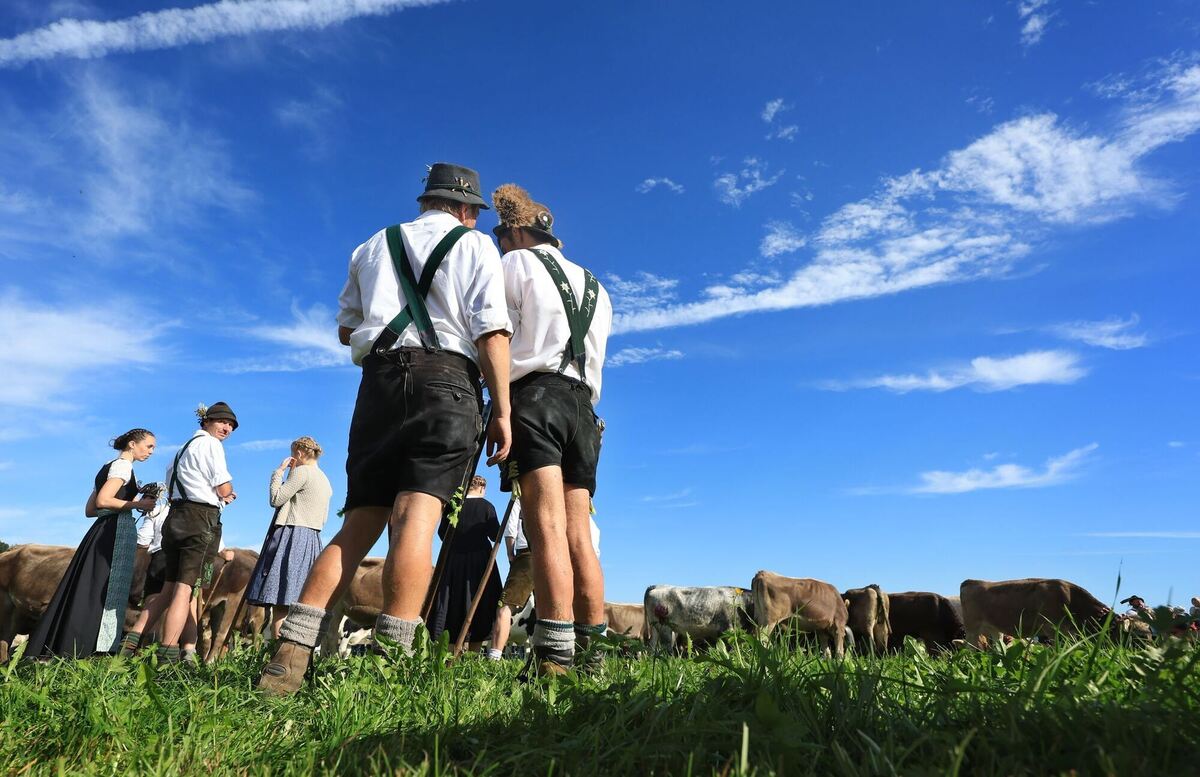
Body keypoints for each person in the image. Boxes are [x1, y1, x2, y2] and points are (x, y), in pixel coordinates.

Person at [258, 162, 512, 696]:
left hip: (377, 385)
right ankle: (392, 665)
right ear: (467, 209)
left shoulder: (373, 245)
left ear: (427, 201)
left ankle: (289, 653)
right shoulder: (473, 246)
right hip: (446, 381)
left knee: (359, 522)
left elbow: (348, 327)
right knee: (416, 519)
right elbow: (491, 331)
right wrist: (504, 411)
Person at [493, 183, 613, 675]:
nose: (500, 243)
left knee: (544, 528)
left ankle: (554, 655)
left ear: (518, 232)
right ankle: (593, 655)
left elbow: (494, 333)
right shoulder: (595, 285)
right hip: (584, 408)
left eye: (503, 235)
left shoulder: (513, 266)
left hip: (536, 397)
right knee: (578, 532)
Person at [26, 429, 158, 658]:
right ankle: (92, 650)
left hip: (100, 531)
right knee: (106, 591)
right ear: (132, 444)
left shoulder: (109, 465)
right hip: (115, 532)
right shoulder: (123, 467)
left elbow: (90, 510)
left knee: (90, 587)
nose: (151, 452)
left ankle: (67, 645)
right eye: (148, 446)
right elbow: (103, 500)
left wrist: (131, 501)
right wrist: (139, 506)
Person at [156, 402, 238, 663]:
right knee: (184, 591)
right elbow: (223, 488)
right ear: (206, 422)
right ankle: (168, 657)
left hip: (175, 517)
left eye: (231, 425)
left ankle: (131, 648)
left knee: (170, 589)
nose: (227, 428)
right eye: (222, 422)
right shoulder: (212, 445)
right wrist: (226, 494)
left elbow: (173, 488)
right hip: (199, 519)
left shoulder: (179, 451)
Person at [246, 437, 334, 639]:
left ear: (300, 453)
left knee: (281, 602)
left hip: (291, 536)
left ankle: (278, 654)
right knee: (299, 601)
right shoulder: (324, 480)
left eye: (293, 454)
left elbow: (276, 499)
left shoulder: (302, 472)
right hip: (312, 540)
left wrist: (279, 473)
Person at [427, 475, 503, 651]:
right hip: (480, 562)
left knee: (452, 602)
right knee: (481, 603)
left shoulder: (454, 506)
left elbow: (442, 533)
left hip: (453, 560)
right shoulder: (487, 507)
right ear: (482, 488)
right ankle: (473, 654)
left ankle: (450, 652)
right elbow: (494, 535)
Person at [487, 498, 531, 660]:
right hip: (556, 554)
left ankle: (494, 657)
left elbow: (511, 527)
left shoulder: (521, 496)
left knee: (505, 607)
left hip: (527, 553)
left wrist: (510, 553)